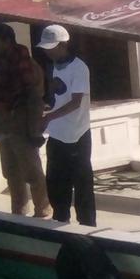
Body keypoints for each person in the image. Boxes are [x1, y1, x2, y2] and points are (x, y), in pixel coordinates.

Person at [0, 22, 49, 218]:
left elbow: (35, 102)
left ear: (7, 42)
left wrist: (34, 131)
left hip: (22, 129)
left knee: (33, 174)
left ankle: (43, 212)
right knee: (11, 174)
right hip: (3, 128)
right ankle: (19, 213)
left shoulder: (27, 67)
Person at [39, 24, 96, 226]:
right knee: (55, 180)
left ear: (63, 45)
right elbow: (56, 95)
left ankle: (87, 224)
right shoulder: (53, 65)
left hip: (77, 135)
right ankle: (60, 218)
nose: (47, 51)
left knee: (82, 183)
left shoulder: (79, 67)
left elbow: (76, 101)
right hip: (57, 134)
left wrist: (49, 117)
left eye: (51, 47)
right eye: (45, 47)